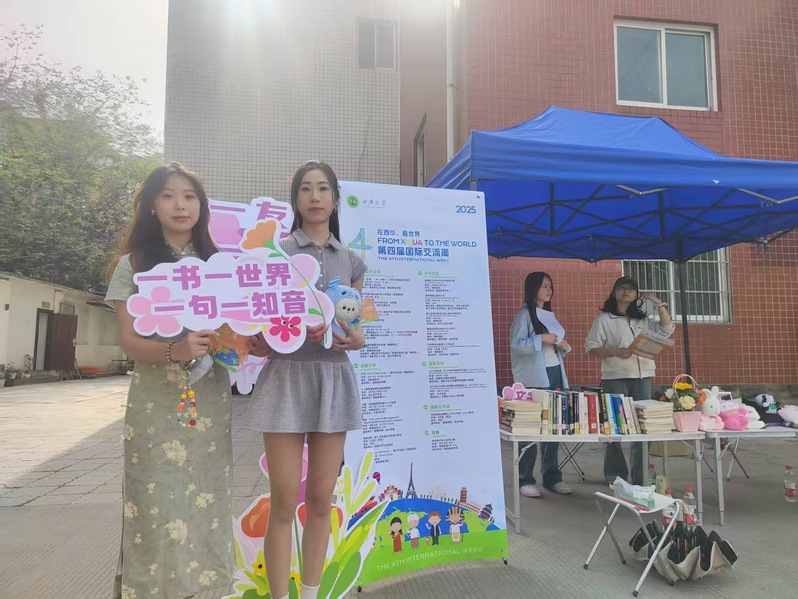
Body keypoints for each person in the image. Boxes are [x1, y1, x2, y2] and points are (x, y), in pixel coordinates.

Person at [105, 163, 235, 598]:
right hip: (155, 402)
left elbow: (232, 336)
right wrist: (174, 351)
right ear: (151, 206)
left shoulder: (220, 266)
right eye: (168, 195)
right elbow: (129, 343)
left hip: (209, 400)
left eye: (189, 196)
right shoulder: (133, 265)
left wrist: (249, 343)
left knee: (207, 498)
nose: (180, 205)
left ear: (202, 206)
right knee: (154, 505)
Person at [245, 161, 367, 599]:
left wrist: (351, 338)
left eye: (323, 189)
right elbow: (259, 329)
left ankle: (313, 593)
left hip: (333, 379)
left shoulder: (352, 260)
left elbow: (359, 328)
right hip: (286, 379)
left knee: (320, 499)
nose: (315, 197)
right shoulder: (275, 253)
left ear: (335, 199)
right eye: (306, 189)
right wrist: (265, 339)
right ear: (295, 199)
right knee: (283, 501)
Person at [585, 276, 674, 485]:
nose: (626, 291)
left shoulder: (643, 321)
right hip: (615, 377)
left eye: (631, 289)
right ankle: (615, 476)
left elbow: (667, 329)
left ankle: (639, 476)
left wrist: (658, 304)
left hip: (642, 378)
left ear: (636, 295)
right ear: (614, 292)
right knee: (614, 427)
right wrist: (616, 351)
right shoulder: (604, 320)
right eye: (622, 288)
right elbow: (591, 348)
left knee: (643, 427)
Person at [510, 272, 573, 498]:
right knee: (530, 426)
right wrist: (541, 339)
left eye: (550, 286)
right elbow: (517, 345)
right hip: (534, 376)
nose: (549, 290)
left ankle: (552, 476)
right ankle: (525, 478)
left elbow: (550, 345)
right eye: (544, 286)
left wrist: (562, 345)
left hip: (554, 371)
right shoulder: (524, 315)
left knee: (553, 424)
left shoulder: (548, 315)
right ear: (533, 288)